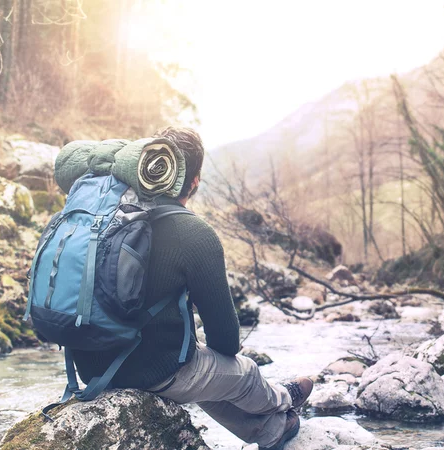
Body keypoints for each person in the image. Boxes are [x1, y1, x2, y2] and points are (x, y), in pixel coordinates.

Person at [72, 126, 313, 450]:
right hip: (149, 372)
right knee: (242, 373)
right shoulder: (195, 233)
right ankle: (284, 398)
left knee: (199, 371)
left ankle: (273, 431)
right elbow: (226, 342)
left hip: (90, 366)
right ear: (195, 181)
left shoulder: (111, 213)